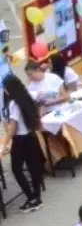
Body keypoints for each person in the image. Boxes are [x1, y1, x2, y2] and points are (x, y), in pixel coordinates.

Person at [1, 72, 44, 212]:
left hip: (20, 140)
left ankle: (31, 198)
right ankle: (37, 197)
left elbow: (13, 127)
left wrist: (4, 144)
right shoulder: (27, 97)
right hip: (31, 136)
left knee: (16, 169)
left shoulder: (14, 104)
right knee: (33, 168)